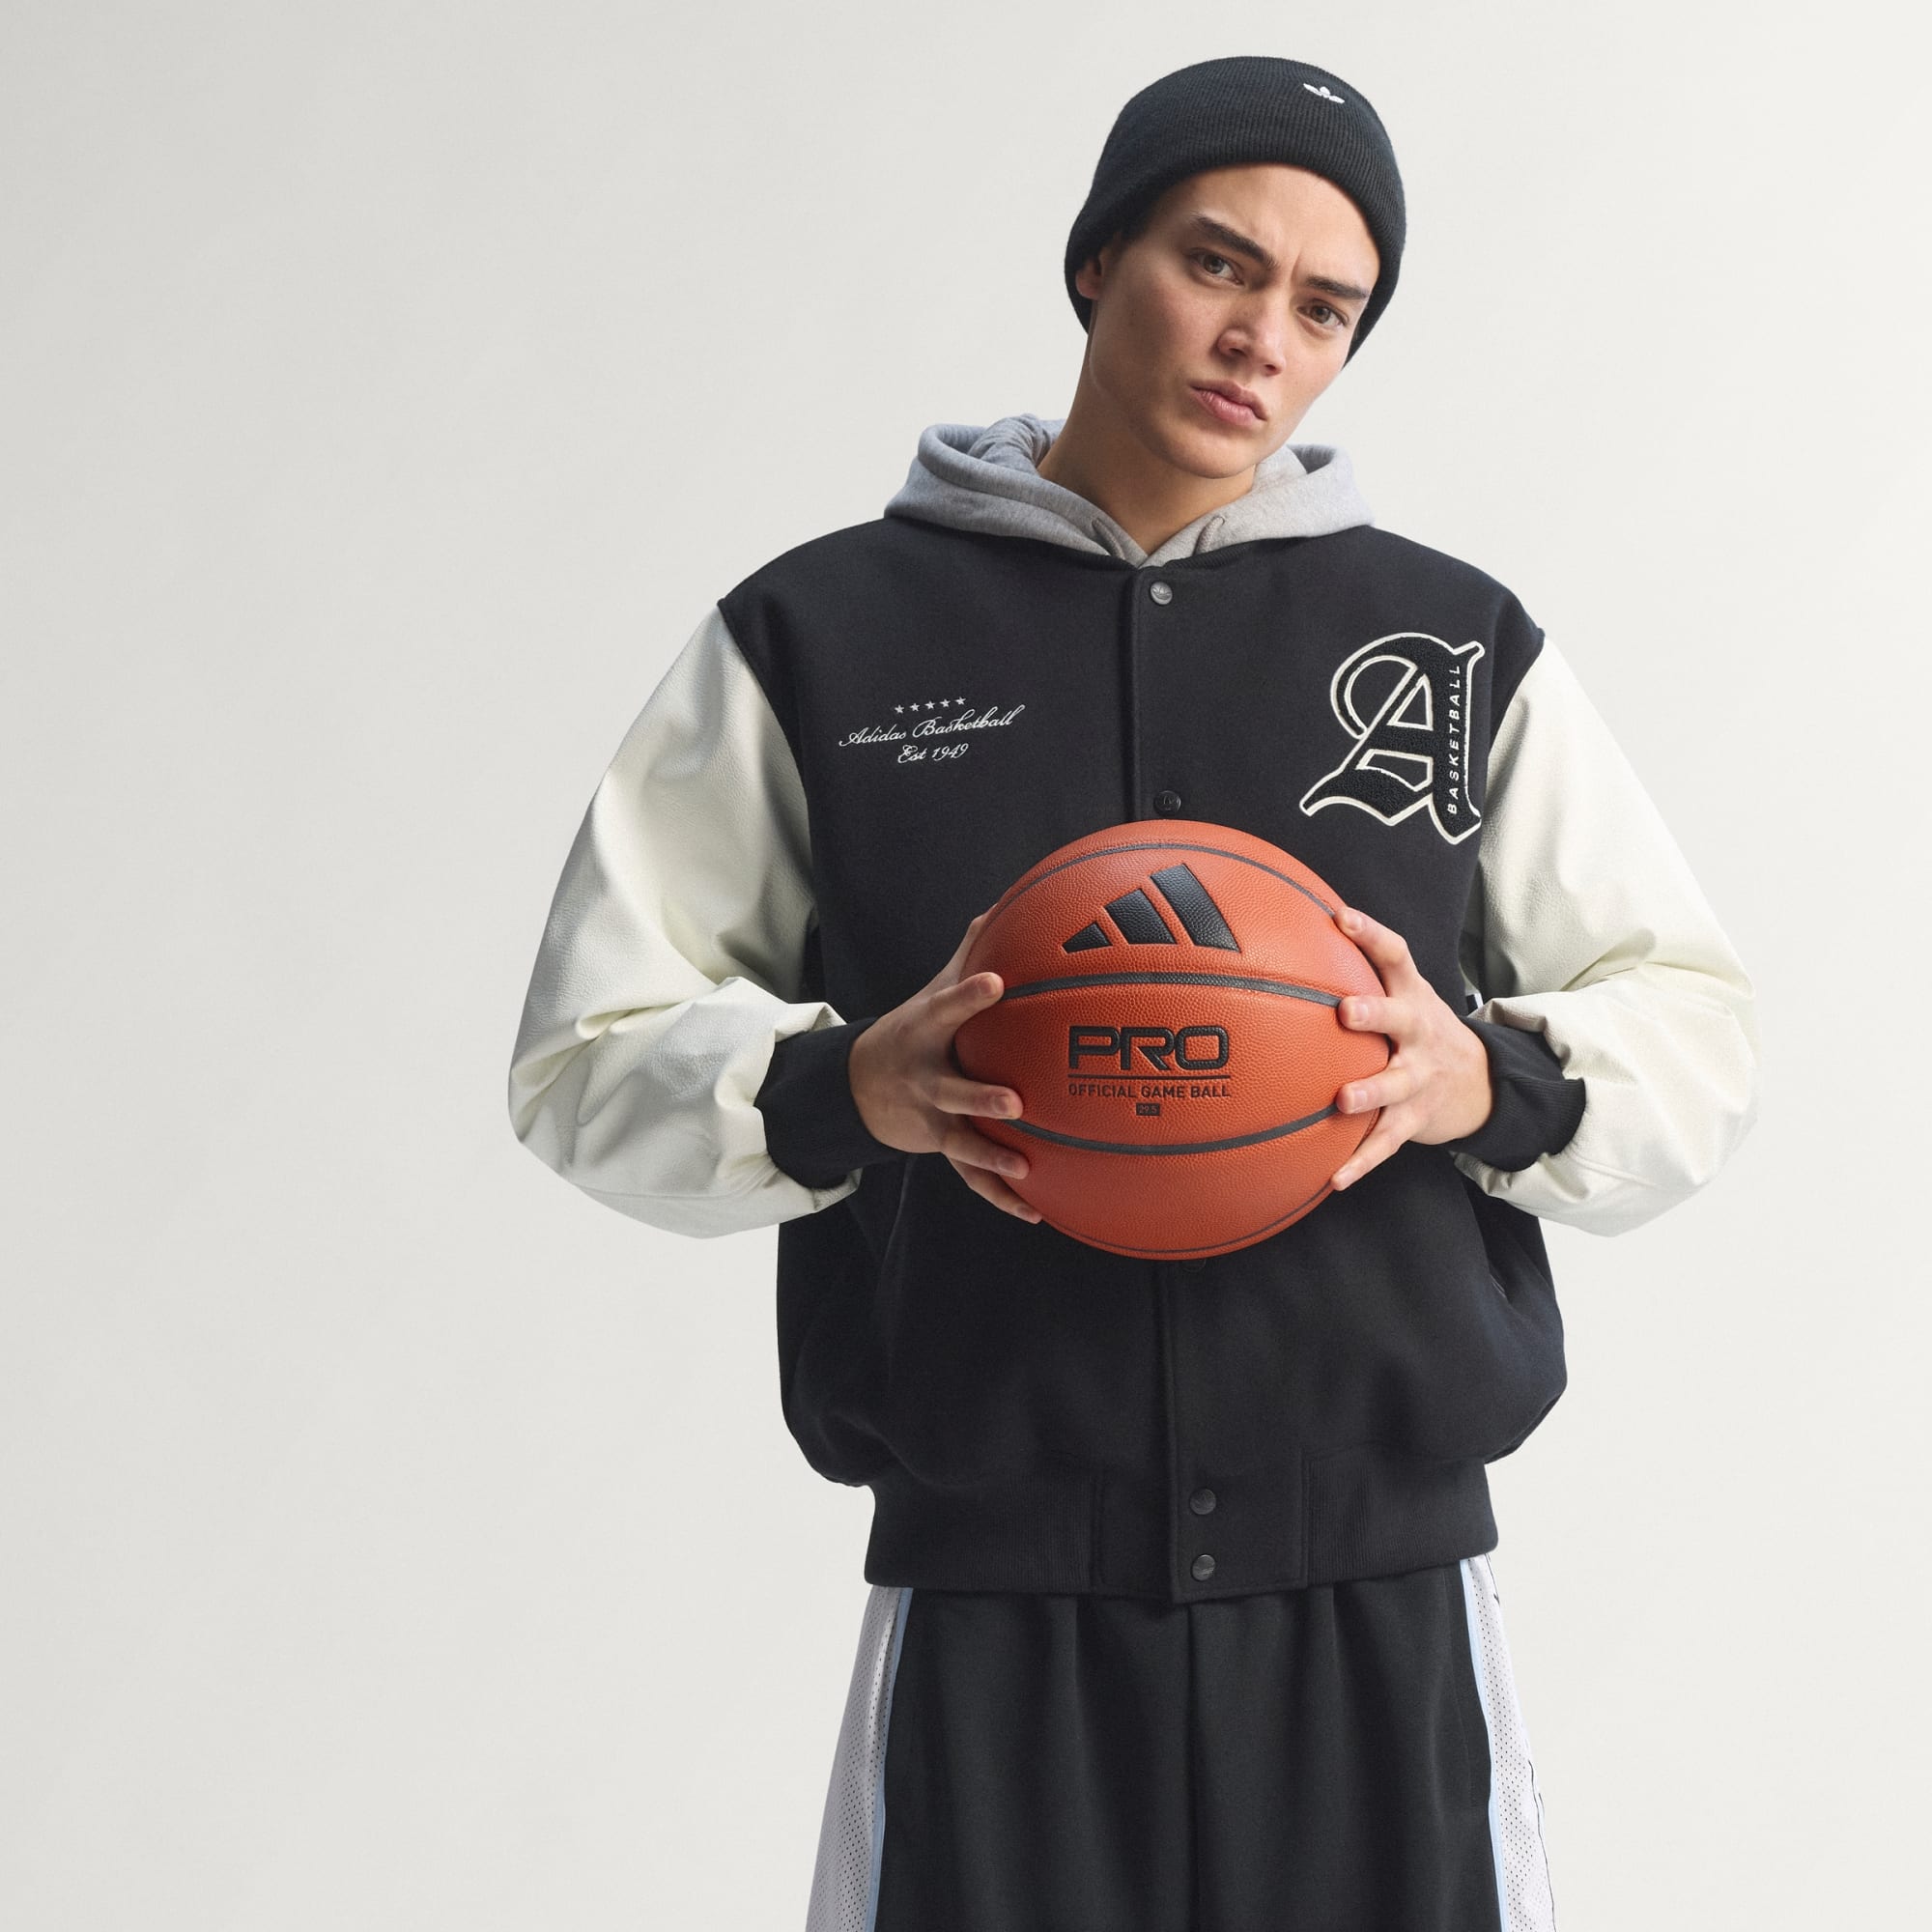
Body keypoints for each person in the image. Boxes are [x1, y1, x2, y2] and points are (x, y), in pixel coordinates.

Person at [506, 53, 1759, 1931]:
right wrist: (845, 1088)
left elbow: (1692, 1021)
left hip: (1376, 1588)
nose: (1262, 337)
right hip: (998, 1596)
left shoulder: (1446, 640)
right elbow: (581, 1054)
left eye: (1324, 306)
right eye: (1217, 261)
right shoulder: (823, 634)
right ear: (1099, 260)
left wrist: (1487, 1078)